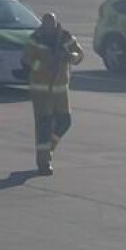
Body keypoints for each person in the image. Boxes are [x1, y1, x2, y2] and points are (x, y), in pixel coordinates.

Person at [23, 11, 82, 176]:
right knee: (44, 124)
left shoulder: (65, 37)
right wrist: (43, 65)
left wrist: (70, 56)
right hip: (41, 89)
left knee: (65, 121)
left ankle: (49, 149)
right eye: (46, 24)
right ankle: (43, 162)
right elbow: (26, 59)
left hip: (60, 88)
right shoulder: (35, 38)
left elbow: (79, 54)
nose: (49, 28)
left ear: (56, 24)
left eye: (51, 25)